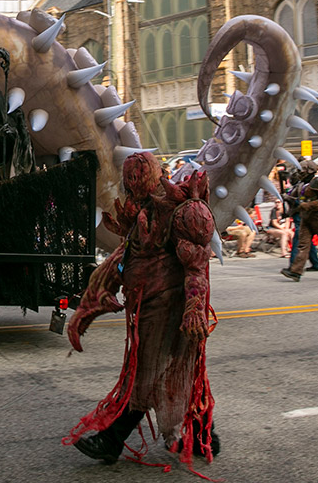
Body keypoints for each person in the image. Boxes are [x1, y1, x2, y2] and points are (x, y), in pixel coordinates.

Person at [65, 153, 219, 470]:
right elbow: (122, 259)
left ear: (151, 176)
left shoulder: (184, 212)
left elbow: (196, 265)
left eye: (138, 177)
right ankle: (207, 435)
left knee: (147, 376)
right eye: (129, 179)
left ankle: (111, 439)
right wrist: (90, 304)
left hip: (171, 310)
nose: (132, 184)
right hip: (147, 309)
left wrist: (193, 309)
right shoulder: (142, 213)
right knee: (175, 375)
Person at [281, 160, 318, 281]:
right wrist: (287, 197)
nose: (299, 173)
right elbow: (295, 197)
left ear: (309, 171)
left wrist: (305, 205)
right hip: (306, 218)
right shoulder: (302, 184)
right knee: (303, 245)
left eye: (302, 171)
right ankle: (296, 272)